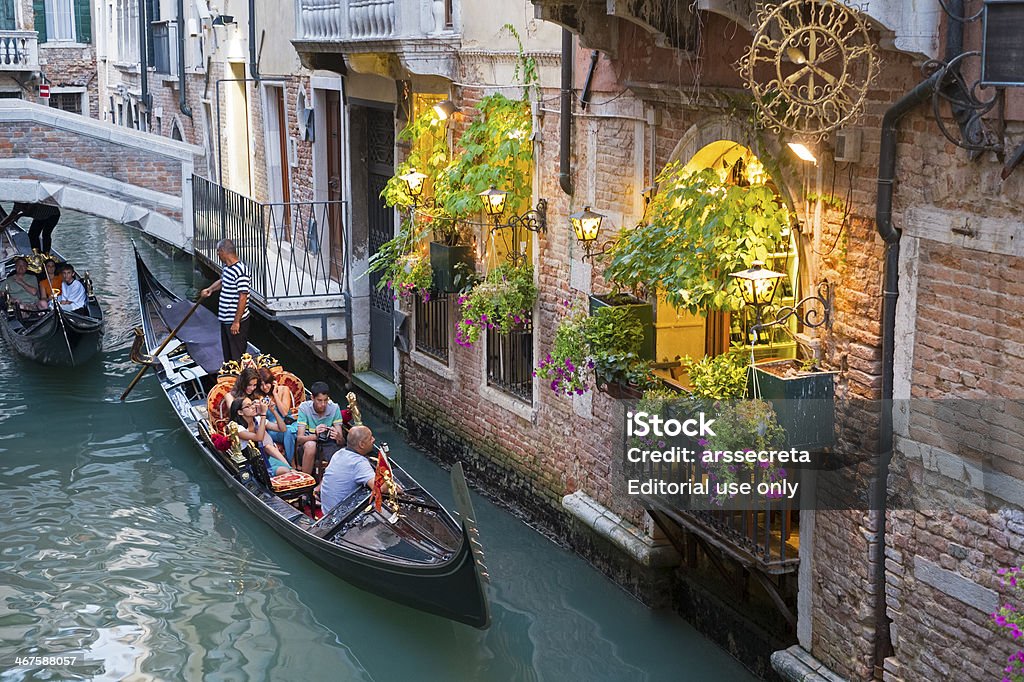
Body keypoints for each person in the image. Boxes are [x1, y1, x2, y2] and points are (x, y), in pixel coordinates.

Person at [200, 238, 250, 363]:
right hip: (225, 320)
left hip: (235, 322)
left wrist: (236, 322)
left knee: (237, 356)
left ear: (223, 251)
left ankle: (239, 380)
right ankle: (230, 377)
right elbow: (223, 281)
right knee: (228, 355)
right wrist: (210, 289)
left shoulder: (241, 271)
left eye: (218, 252)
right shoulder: (228, 268)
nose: (217, 255)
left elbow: (243, 297)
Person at [319, 426, 379, 513]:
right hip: (340, 516)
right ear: (361, 444)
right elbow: (378, 487)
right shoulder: (359, 463)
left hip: (326, 510)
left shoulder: (339, 453)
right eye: (370, 438)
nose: (373, 439)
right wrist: (393, 487)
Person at [229, 396, 291, 478]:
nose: (253, 407)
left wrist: (273, 410)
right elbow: (258, 438)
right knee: (285, 470)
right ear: (240, 412)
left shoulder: (258, 420)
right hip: (250, 463)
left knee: (288, 469)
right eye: (248, 406)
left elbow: (282, 429)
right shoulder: (238, 428)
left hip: (263, 458)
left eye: (252, 404)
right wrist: (263, 414)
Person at [295, 381, 345, 475]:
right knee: (311, 446)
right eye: (319, 400)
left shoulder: (334, 408)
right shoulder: (304, 408)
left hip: (329, 444)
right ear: (312, 398)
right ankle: (307, 480)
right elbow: (300, 439)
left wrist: (338, 437)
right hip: (309, 443)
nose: (323, 404)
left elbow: (341, 441)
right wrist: (316, 436)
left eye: (325, 400)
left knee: (338, 452)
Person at [256, 367, 298, 465]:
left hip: (290, 423)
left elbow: (284, 412)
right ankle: (290, 463)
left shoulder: (284, 390)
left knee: (290, 430)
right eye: (261, 385)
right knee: (288, 432)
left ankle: (291, 462)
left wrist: (275, 394)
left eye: (267, 383)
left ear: (272, 382)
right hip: (273, 429)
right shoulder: (259, 396)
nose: (265, 387)